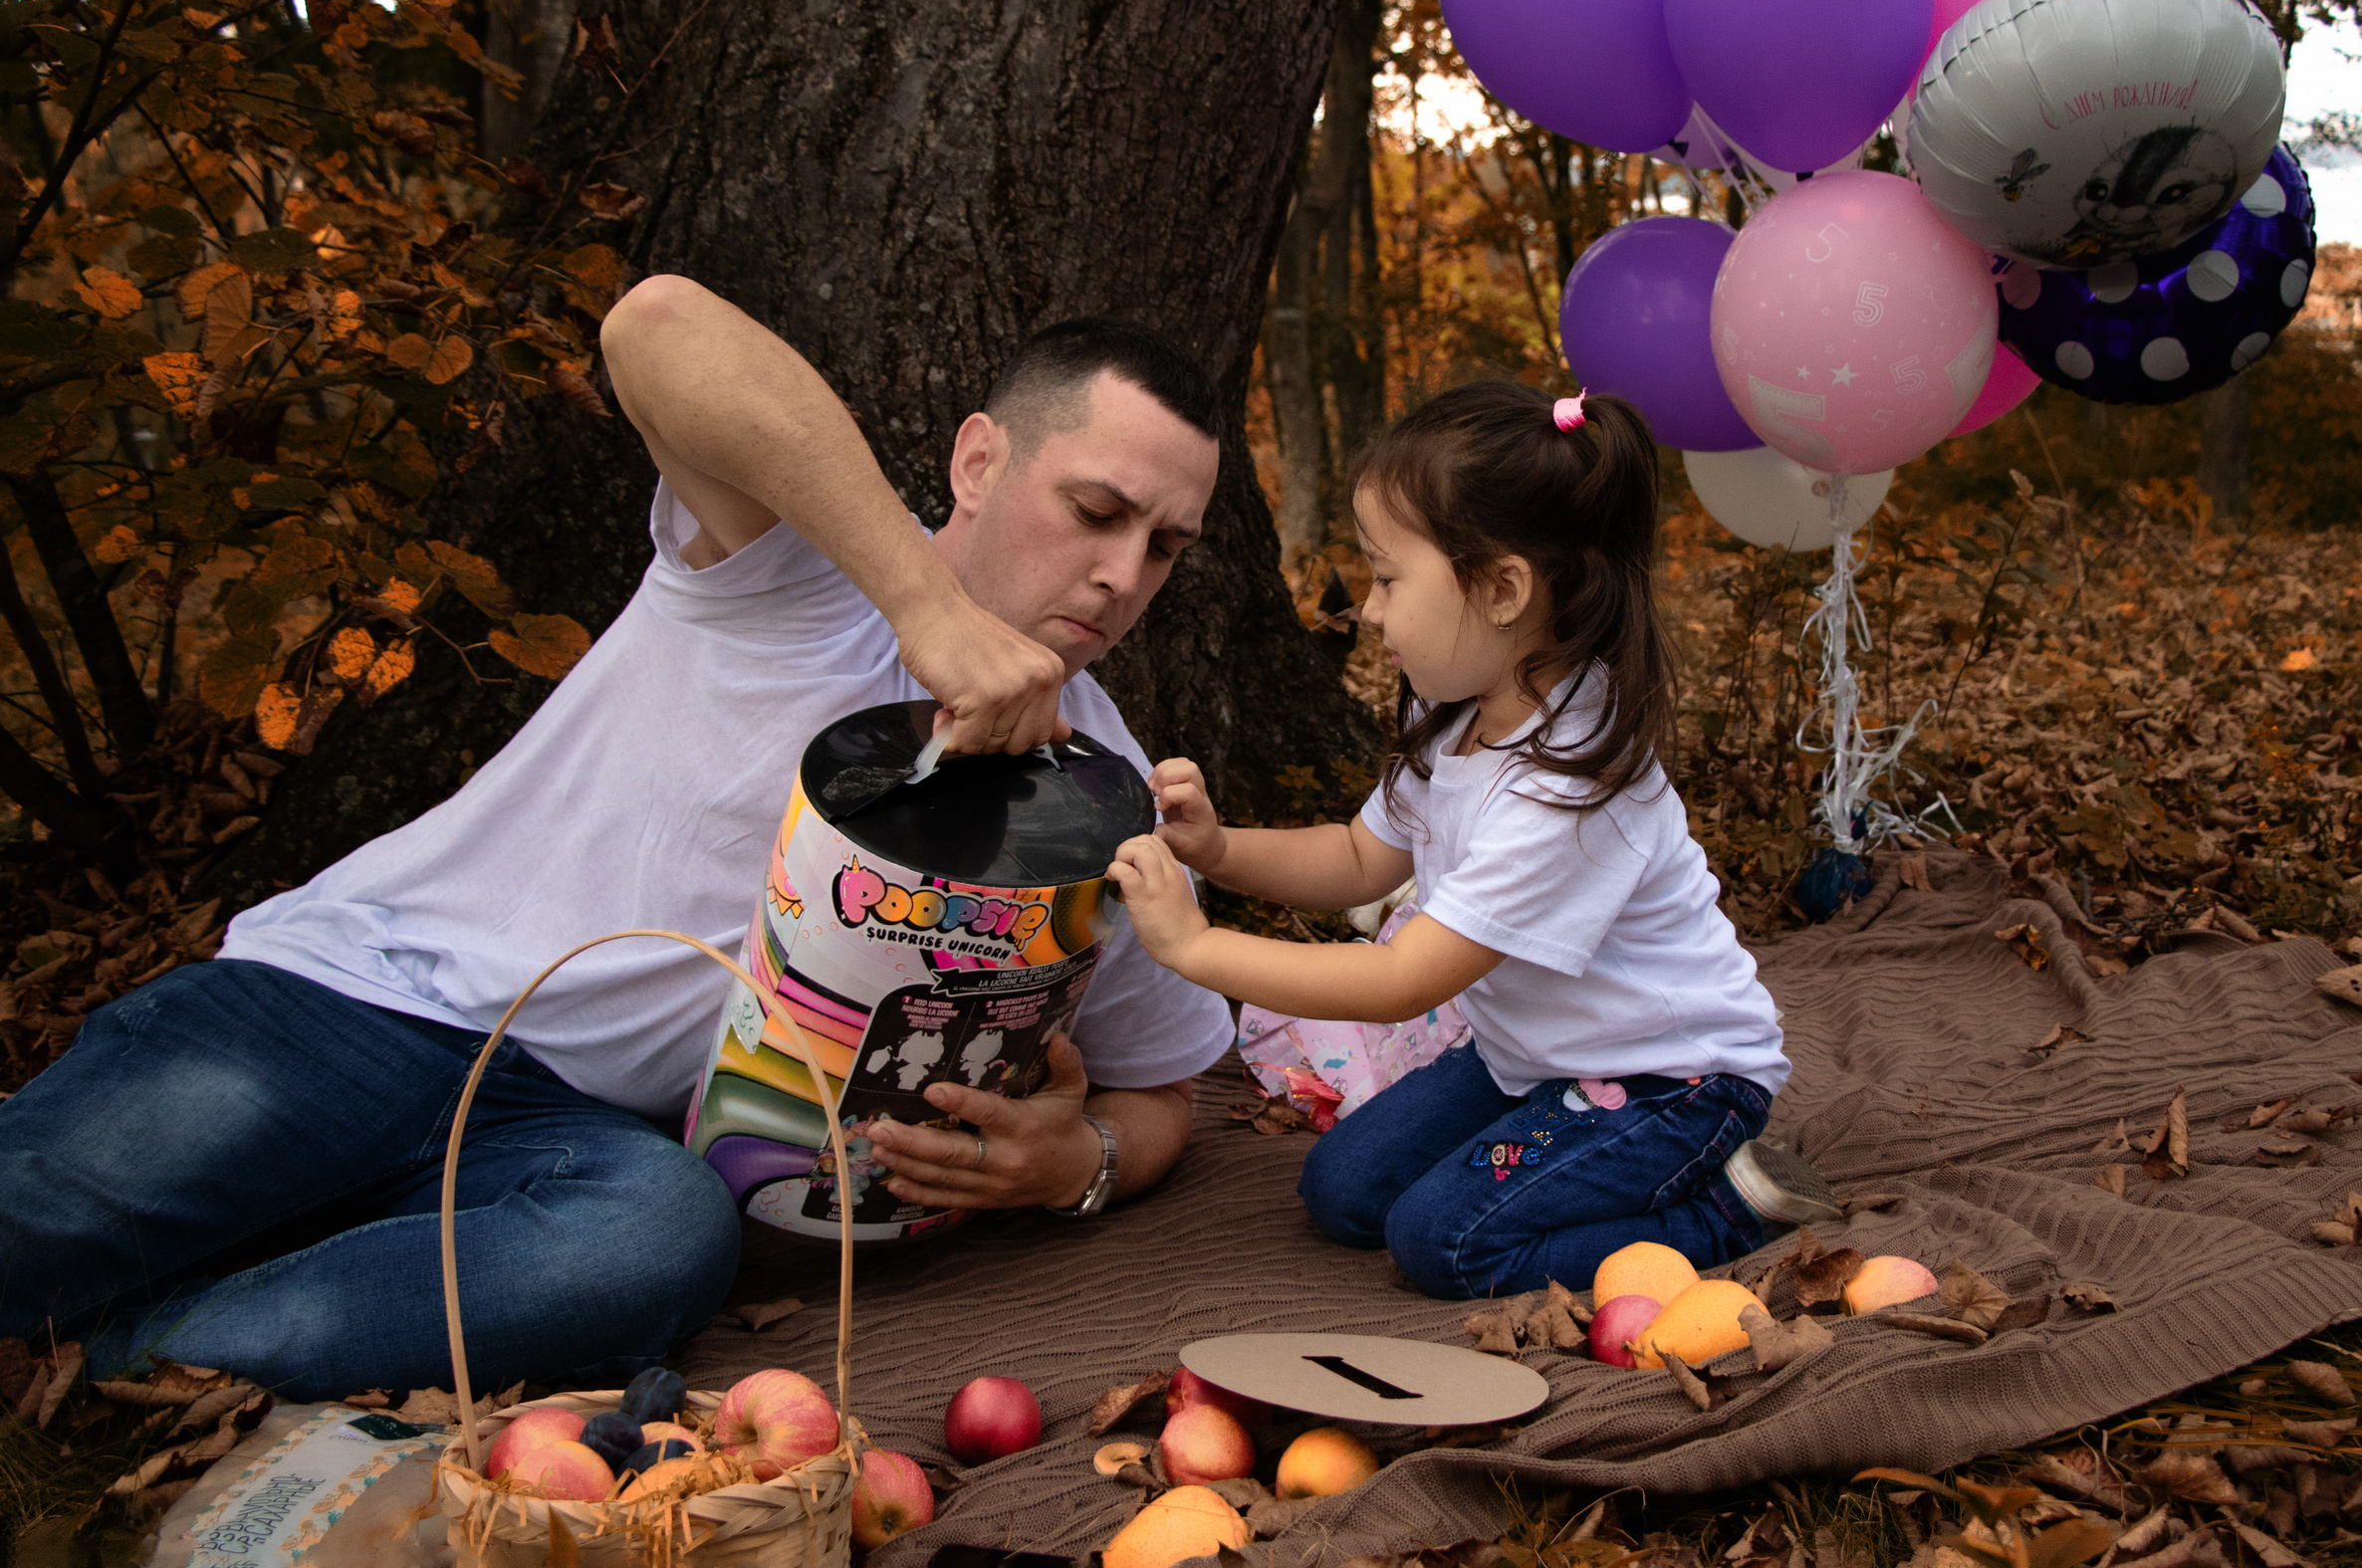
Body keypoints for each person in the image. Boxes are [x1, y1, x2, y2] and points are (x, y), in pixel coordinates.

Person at [0, 279, 1238, 1399]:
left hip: (569, 1143)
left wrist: (1079, 1160)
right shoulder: (802, 571)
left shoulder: (1104, 799)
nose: (1121, 574)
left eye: (1164, 548)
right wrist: (923, 611)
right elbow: (654, 325)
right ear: (977, 461)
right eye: (1095, 511)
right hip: (354, 1008)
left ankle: (121, 1361)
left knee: (658, 1241)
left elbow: (1162, 1085)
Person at [1106, 380, 1836, 1299]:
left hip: (1670, 1084)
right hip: (1531, 1063)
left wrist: (1195, 948)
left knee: (1442, 1241)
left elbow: (1400, 982)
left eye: (1387, 578)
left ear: (1501, 589)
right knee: (1342, 1190)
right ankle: (1560, 1156)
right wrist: (1217, 849)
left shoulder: (1569, 792)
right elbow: (1358, 857)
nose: (1369, 610)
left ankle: (1728, 1209)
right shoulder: (1456, 714)